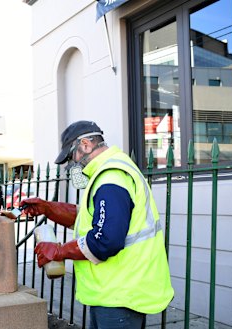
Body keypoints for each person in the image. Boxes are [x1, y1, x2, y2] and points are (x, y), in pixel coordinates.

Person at [20, 121, 174, 329]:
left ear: (84, 144)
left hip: (120, 295)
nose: (72, 164)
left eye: (71, 156)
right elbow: (89, 218)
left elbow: (105, 240)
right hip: (114, 293)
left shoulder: (111, 177)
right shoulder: (108, 173)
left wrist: (58, 252)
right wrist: (47, 208)